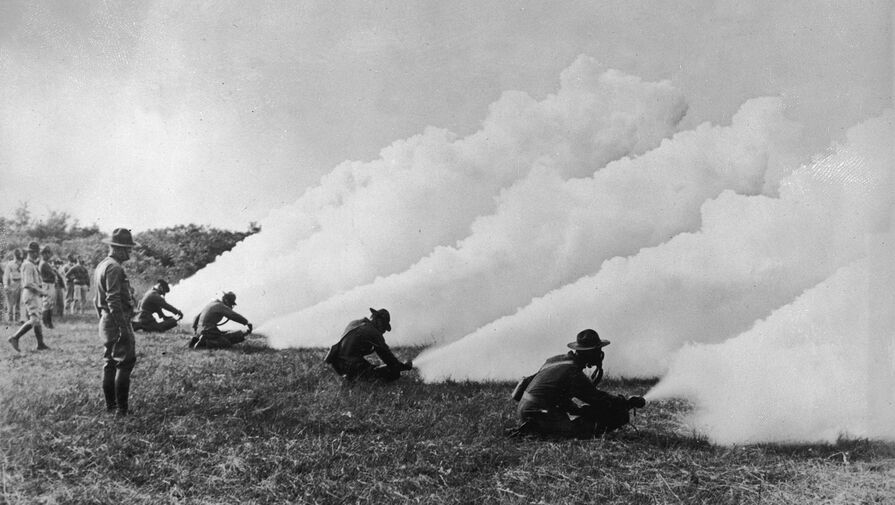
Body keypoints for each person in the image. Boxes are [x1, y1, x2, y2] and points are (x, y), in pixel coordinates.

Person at [511, 329, 646, 438]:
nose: (600, 354)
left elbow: (552, 393)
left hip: (526, 411)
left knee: (587, 414)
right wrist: (624, 403)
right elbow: (597, 398)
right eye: (597, 350)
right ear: (590, 352)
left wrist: (580, 410)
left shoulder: (555, 360)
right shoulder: (573, 372)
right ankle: (539, 431)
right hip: (539, 414)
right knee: (618, 416)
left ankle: (537, 428)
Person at [94, 228, 139, 416]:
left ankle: (111, 407)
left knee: (110, 363)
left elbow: (96, 300)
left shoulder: (102, 265)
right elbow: (113, 299)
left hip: (107, 320)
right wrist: (122, 328)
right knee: (124, 362)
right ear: (119, 248)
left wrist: (103, 319)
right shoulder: (114, 268)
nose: (130, 252)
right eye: (128, 248)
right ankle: (121, 410)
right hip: (116, 320)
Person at [324, 308, 413, 382]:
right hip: (352, 368)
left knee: (372, 368)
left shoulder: (354, 323)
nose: (384, 331)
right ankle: (357, 380)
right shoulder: (373, 332)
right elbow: (388, 358)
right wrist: (403, 366)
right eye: (384, 325)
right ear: (377, 320)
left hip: (337, 366)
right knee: (394, 373)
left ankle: (350, 379)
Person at [7, 242, 50, 352]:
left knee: (37, 319)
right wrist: (41, 291)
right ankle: (15, 337)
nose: (38, 254)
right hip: (30, 294)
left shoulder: (31, 264)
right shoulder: (28, 265)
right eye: (37, 252)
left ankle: (40, 344)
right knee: (34, 319)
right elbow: (28, 283)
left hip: (33, 294)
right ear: (33, 252)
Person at [38, 246, 57, 329]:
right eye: (47, 253)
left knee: (49, 304)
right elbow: (53, 274)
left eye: (49, 253)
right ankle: (46, 322)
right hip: (47, 284)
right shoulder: (44, 264)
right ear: (43, 254)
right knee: (47, 304)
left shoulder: (46, 263)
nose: (48, 255)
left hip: (50, 284)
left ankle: (49, 322)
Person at [3, 250, 23, 323]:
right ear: (14, 255)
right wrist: (5, 284)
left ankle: (17, 319)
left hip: (21, 282)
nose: (18, 255)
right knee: (11, 302)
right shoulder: (10, 264)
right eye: (17, 254)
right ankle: (10, 319)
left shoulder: (23, 263)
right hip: (13, 283)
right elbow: (6, 275)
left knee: (18, 302)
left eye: (19, 254)